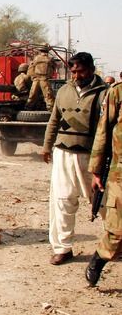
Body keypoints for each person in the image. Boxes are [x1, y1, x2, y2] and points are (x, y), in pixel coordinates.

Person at [42, 52, 107, 265]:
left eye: (80, 71)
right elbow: (54, 120)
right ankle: (62, 247)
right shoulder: (63, 91)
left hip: (92, 156)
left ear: (91, 69)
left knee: (104, 202)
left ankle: (115, 243)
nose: (76, 75)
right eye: (73, 71)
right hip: (64, 154)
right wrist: (47, 146)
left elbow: (109, 127)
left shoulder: (104, 94)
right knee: (62, 200)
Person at [86, 76, 122, 286]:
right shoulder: (117, 93)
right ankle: (99, 259)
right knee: (117, 229)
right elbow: (102, 132)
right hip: (119, 174)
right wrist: (96, 171)